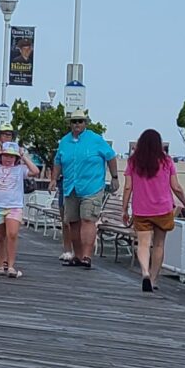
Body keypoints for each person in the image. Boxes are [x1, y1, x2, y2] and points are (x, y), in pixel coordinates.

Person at [122, 129, 185, 292]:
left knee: (143, 244)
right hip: (163, 209)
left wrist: (124, 209)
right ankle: (153, 280)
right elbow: (175, 186)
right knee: (159, 245)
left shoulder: (133, 161)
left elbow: (128, 186)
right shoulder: (166, 161)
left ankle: (144, 271)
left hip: (141, 209)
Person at [50, 115, 119, 268]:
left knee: (88, 219)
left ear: (85, 123)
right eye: (74, 121)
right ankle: (78, 255)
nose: (77, 124)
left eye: (80, 121)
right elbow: (58, 161)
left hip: (91, 187)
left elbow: (111, 156)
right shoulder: (64, 142)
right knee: (72, 222)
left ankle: (87, 256)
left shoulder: (95, 139)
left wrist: (114, 177)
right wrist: (54, 179)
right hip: (70, 187)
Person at [0, 142, 31, 279]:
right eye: (6, 155)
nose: (8, 159)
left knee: (12, 234)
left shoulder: (20, 169)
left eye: (11, 156)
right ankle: (0, 264)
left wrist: (24, 156)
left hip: (14, 206)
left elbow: (35, 171)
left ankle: (10, 265)